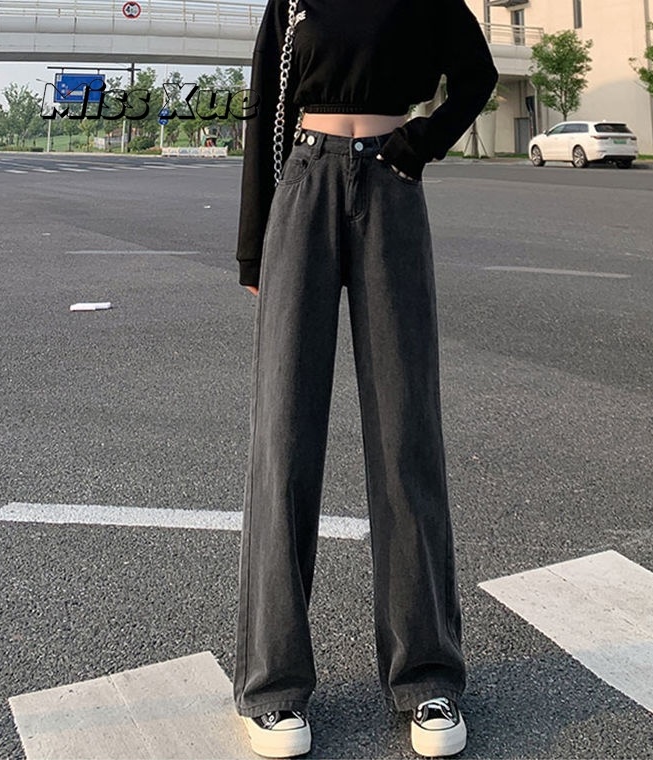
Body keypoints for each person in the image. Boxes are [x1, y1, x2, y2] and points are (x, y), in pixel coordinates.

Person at [234, 0, 498, 755]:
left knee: (406, 431)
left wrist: (423, 140)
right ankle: (272, 685)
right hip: (305, 185)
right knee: (285, 437)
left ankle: (428, 675)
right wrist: (254, 242)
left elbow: (476, 77)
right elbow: (267, 107)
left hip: (391, 185)